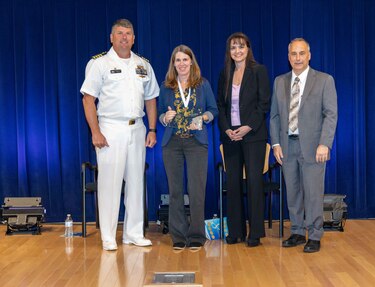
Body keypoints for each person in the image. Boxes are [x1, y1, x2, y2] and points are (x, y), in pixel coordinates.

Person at [80, 19, 159, 251]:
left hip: (138, 128)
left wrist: (152, 128)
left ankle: (133, 233)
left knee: (135, 182)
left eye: (128, 34)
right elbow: (88, 99)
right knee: (110, 184)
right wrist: (95, 132)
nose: (124, 37)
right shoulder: (99, 64)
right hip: (110, 128)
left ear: (134, 38)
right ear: (111, 38)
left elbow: (151, 98)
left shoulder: (143, 64)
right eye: (120, 33)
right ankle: (108, 236)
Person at [270, 38, 338, 253]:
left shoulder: (325, 80)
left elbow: (331, 115)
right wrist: (276, 144)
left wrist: (324, 144)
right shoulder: (279, 81)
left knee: (313, 193)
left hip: (313, 148)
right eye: (293, 54)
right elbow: (274, 117)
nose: (297, 58)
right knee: (293, 193)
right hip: (287, 147)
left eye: (301, 53)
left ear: (309, 55)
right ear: (288, 57)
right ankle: (298, 232)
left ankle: (315, 235)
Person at [158, 45, 218, 251]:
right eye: (178, 60)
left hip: (196, 143)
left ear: (191, 62)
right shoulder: (166, 86)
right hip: (172, 143)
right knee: (175, 191)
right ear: (173, 64)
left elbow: (213, 110)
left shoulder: (203, 85)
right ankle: (178, 236)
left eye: (185, 59)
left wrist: (204, 118)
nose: (182, 64)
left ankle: (196, 235)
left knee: (196, 190)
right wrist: (165, 118)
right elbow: (159, 115)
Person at [217, 32, 271, 247]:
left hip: (253, 135)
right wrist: (227, 129)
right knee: (233, 184)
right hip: (231, 136)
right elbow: (221, 106)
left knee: (255, 183)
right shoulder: (225, 73)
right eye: (233, 48)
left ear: (248, 48)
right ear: (229, 52)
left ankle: (255, 232)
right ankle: (236, 231)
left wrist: (248, 127)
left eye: (241, 47)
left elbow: (264, 103)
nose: (237, 51)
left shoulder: (259, 71)